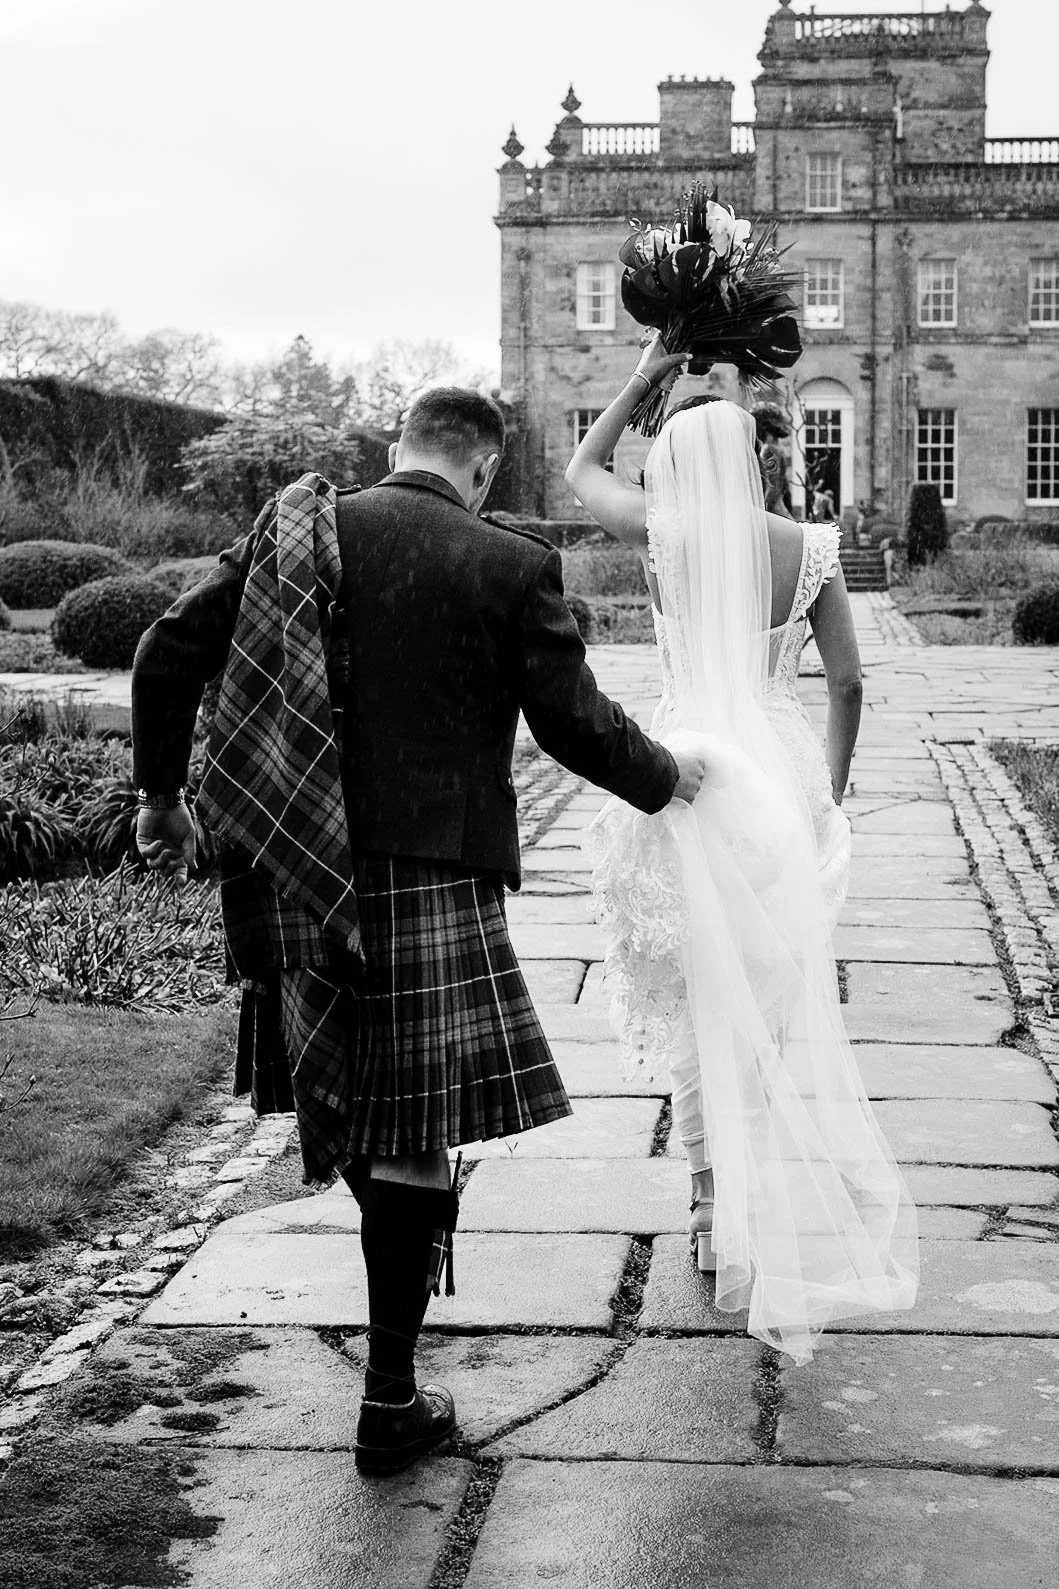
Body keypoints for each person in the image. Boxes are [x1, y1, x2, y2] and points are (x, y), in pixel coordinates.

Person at [131, 386, 707, 1473]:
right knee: (408, 1137)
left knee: (359, 1111)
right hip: (426, 872)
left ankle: (395, 1359)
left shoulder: (297, 532)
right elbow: (573, 724)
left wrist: (162, 798)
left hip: (293, 863)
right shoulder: (506, 560)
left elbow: (166, 650)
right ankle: (389, 1398)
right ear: (483, 468)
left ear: (398, 446)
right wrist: (669, 777)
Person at [565, 335, 918, 1365]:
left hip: (683, 773)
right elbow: (848, 682)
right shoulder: (809, 548)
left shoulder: (662, 536)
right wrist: (830, 788)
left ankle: (710, 1205)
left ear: (678, 465)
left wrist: (645, 374)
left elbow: (584, 469)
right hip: (776, 777)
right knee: (763, 994)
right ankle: (751, 1198)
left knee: (693, 996)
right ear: (755, 460)